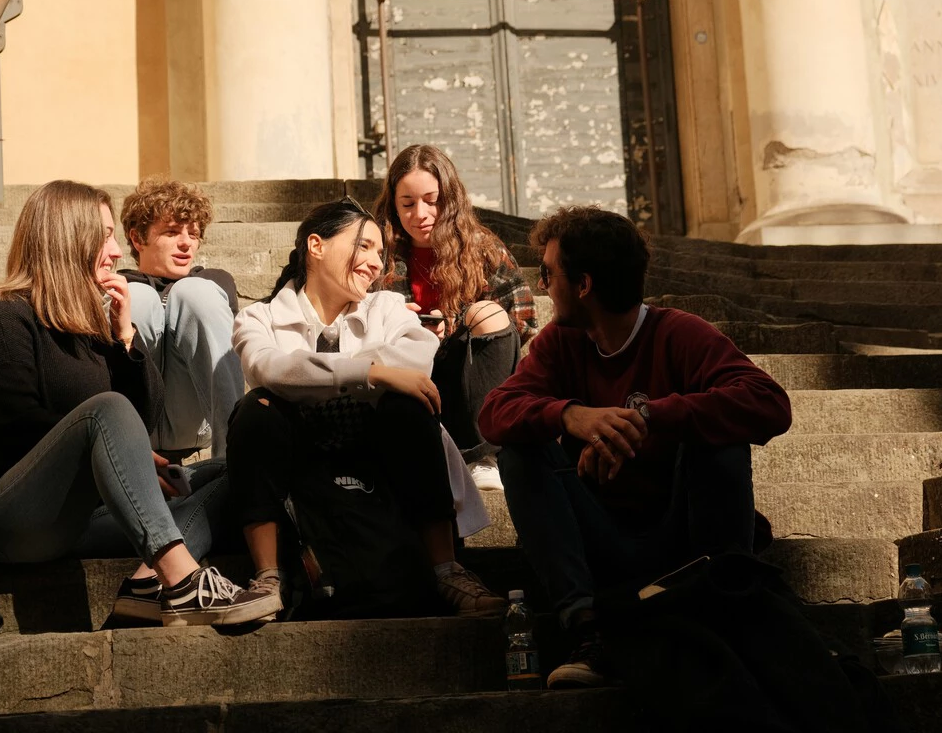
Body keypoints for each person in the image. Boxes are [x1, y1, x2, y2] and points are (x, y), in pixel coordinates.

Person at [478, 205, 792, 688]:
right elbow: (494, 413)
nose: (542, 285)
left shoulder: (679, 333)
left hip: (681, 538)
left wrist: (649, 417)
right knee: (521, 450)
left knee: (721, 437)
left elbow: (769, 403)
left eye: (549, 273)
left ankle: (723, 608)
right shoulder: (561, 342)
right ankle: (588, 630)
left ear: (583, 284)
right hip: (601, 540)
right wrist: (572, 416)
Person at [0, 180, 280, 627]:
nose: (115, 252)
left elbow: (142, 418)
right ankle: (183, 581)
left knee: (233, 471)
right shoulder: (2, 316)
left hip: (87, 518)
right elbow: (14, 432)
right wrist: (107, 451)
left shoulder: (92, 324)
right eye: (105, 237)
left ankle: (147, 582)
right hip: (10, 518)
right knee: (106, 409)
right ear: (69, 239)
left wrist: (125, 338)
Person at [227, 197, 506, 618]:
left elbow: (417, 361)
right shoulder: (258, 318)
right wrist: (373, 373)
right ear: (316, 246)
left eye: (380, 252)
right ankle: (268, 578)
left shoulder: (387, 306)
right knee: (256, 410)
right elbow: (270, 369)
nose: (376, 263)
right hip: (298, 460)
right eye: (364, 246)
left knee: (407, 408)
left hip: (379, 452)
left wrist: (314, 377)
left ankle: (447, 570)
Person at [373, 144, 537, 491]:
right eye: (407, 204)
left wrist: (457, 327)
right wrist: (396, 323)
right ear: (393, 205)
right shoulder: (378, 252)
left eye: (432, 201)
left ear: (450, 198)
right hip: (407, 379)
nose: (420, 214)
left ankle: (484, 457)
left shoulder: (481, 249)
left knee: (488, 313)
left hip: (469, 386)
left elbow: (521, 322)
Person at [119, 177, 242, 459]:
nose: (186, 243)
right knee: (134, 296)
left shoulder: (214, 282)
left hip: (196, 424)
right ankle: (115, 444)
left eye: (194, 234)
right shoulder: (120, 284)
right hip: (131, 429)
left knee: (195, 292)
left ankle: (235, 456)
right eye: (172, 232)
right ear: (137, 238)